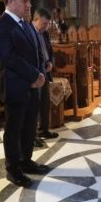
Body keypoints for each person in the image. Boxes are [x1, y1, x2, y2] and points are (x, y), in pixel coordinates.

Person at [0, 0, 50, 188]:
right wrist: (34, 75)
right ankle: (13, 169)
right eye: (24, 1)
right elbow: (9, 58)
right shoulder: (0, 26)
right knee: (14, 129)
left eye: (29, 1)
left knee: (29, 126)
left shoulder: (26, 25)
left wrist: (40, 74)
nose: (29, 5)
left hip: (32, 86)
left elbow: (36, 53)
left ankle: (26, 160)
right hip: (16, 86)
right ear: (10, 1)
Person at [32, 8, 58, 142]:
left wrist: (51, 63)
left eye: (47, 24)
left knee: (44, 102)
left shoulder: (45, 34)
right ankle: (33, 135)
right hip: (36, 73)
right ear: (35, 20)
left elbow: (50, 52)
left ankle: (44, 129)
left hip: (46, 72)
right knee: (34, 104)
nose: (46, 27)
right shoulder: (30, 33)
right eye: (44, 24)